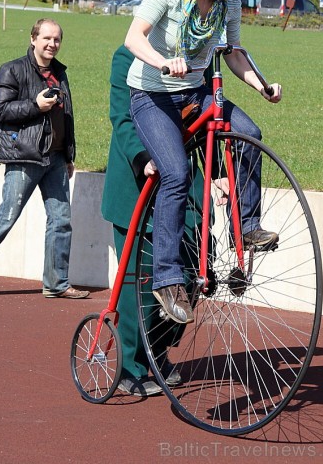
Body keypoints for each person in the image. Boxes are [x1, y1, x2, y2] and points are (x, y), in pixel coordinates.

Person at [124, 0, 282, 325]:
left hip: (195, 94)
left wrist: (262, 86)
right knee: (176, 174)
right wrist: (161, 62)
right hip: (152, 97)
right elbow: (133, 38)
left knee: (249, 134)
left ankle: (246, 226)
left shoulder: (227, 3)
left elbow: (233, 54)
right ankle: (166, 279)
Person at [102, 43, 211, 396]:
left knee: (195, 269)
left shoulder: (195, 56)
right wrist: (143, 157)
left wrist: (220, 173)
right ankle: (129, 365)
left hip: (182, 185)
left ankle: (157, 350)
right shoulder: (126, 58)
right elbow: (122, 117)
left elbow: (207, 116)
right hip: (139, 184)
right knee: (142, 284)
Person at [0, 18, 89, 299]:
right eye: (46, 38)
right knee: (6, 218)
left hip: (55, 158)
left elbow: (67, 117)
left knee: (61, 220)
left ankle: (56, 284)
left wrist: (69, 155)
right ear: (33, 38)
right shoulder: (13, 69)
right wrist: (36, 105)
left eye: (56, 39)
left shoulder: (60, 73)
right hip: (25, 157)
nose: (52, 44)